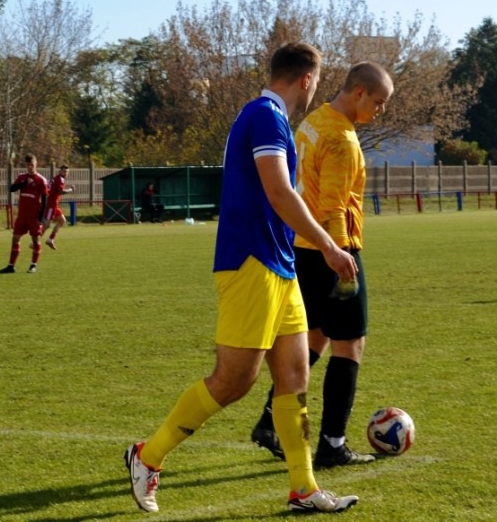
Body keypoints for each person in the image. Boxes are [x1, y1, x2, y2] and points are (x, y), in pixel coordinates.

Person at [124, 42, 361, 514]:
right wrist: (331, 246)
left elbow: (281, 194)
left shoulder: (273, 120)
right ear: (306, 80)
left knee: (294, 377)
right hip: (250, 261)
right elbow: (279, 192)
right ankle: (147, 457)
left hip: (280, 265)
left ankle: (303, 488)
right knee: (234, 381)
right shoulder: (265, 115)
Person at [250, 61, 394, 469]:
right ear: (359, 92)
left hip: (300, 245)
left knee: (314, 338)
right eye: (379, 102)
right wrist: (340, 254)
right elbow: (332, 206)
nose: (379, 111)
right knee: (351, 343)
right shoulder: (342, 139)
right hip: (331, 249)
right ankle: (332, 443)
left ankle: (269, 422)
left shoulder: (313, 121)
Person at [0, 154, 48, 274]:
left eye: (32, 165)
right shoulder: (22, 177)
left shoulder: (41, 180)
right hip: (22, 215)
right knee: (15, 238)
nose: (30, 167)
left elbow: (45, 200)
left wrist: (41, 217)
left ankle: (33, 265)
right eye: (28, 165)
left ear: (36, 164)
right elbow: (12, 189)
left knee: (35, 239)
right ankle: (11, 266)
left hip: (34, 215)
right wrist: (24, 183)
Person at [43, 164, 74, 249]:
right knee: (46, 225)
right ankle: (35, 241)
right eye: (64, 171)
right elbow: (60, 191)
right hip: (51, 204)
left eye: (67, 171)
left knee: (62, 221)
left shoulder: (57, 178)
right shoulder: (60, 179)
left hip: (54, 205)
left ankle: (50, 239)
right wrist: (70, 189)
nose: (65, 173)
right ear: (60, 171)